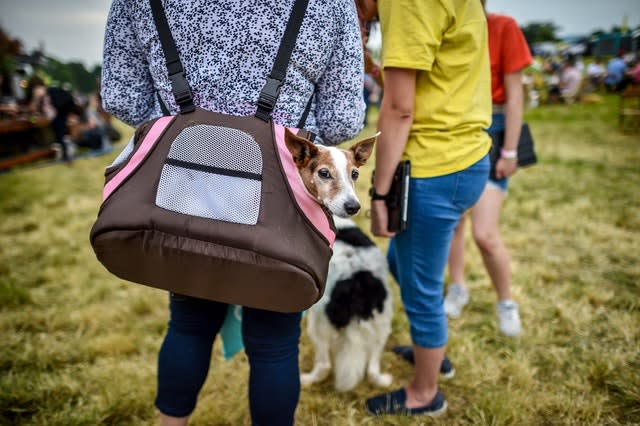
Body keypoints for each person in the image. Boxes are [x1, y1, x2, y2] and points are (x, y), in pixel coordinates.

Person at [100, 1, 365, 425]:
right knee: (276, 342)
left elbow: (122, 96)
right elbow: (342, 118)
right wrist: (283, 132)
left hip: (184, 185)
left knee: (188, 322)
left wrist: (190, 128)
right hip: (278, 191)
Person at [365, 0, 492, 417]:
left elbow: (400, 109)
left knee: (419, 288)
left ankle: (425, 393)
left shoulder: (405, 2)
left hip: (432, 167)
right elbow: (433, 77)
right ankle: (431, 352)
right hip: (465, 156)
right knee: (408, 270)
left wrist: (380, 193)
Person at [445, 1, 532, 337]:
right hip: (455, 126)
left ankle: (506, 302)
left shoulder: (502, 26)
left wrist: (510, 150)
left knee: (484, 233)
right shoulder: (448, 26)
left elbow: (515, 96)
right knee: (454, 223)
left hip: (494, 128)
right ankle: (457, 287)